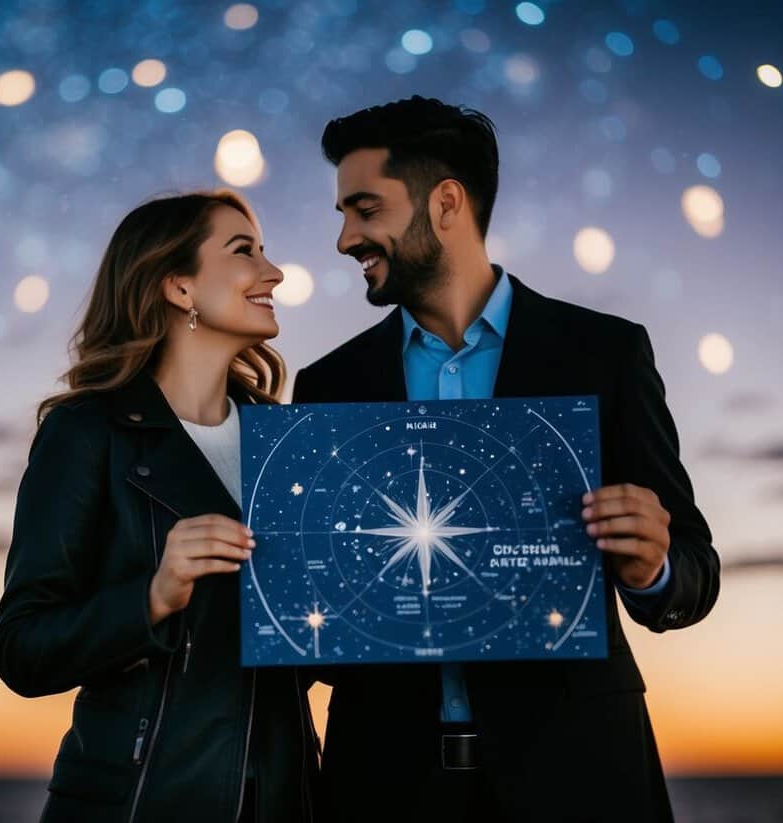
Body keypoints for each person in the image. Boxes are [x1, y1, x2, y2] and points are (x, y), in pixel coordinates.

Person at [292, 96, 721, 822]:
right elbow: (321, 627)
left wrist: (654, 568)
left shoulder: (605, 353)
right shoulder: (328, 387)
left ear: (446, 202)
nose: (344, 239)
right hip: (384, 784)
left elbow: (695, 568)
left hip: (578, 776)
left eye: (364, 209)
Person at [0, 190, 321, 823]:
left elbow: (316, 644)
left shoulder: (289, 443)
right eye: (243, 251)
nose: (273, 271)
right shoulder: (86, 433)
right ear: (178, 286)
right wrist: (153, 598)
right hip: (141, 803)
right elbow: (22, 650)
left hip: (287, 800)